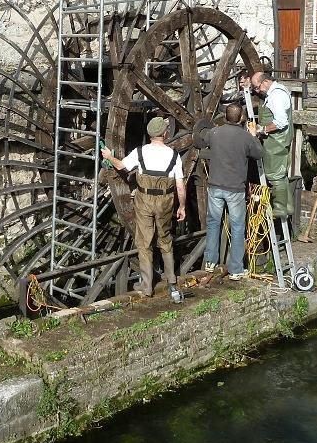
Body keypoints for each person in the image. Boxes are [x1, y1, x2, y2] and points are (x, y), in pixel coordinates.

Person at [101, 117, 186, 302]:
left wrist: (109, 156)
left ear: (149, 134)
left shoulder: (140, 152)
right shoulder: (174, 155)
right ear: (165, 134)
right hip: (165, 201)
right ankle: (171, 280)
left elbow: (121, 166)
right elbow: (180, 185)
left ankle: (147, 287)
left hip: (144, 201)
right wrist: (182, 206)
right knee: (165, 239)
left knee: (144, 242)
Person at [196, 103, 263, 279]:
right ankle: (235, 269)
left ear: (225, 117)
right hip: (235, 189)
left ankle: (210, 261)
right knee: (238, 227)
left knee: (213, 223)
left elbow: (201, 140)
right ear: (241, 118)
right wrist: (254, 136)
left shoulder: (215, 132)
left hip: (215, 186)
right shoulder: (245, 137)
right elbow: (259, 153)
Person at [247, 70, 294, 218]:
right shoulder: (278, 90)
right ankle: (288, 206)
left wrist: (262, 129)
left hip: (277, 140)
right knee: (281, 173)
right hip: (280, 139)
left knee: (274, 174)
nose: (257, 90)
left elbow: (281, 121)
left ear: (265, 82)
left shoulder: (276, 96)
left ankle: (279, 209)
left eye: (257, 87)